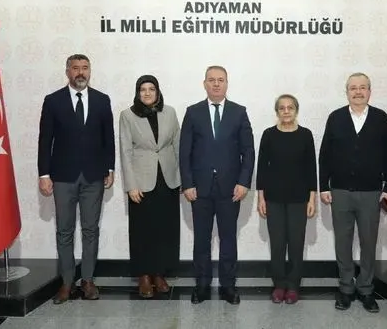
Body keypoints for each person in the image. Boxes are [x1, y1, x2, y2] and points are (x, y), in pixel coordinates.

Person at [37, 54, 116, 304]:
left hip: (94, 176)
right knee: (64, 230)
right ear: (67, 72)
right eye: (75, 68)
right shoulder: (53, 101)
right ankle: (67, 283)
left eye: (85, 68)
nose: (80, 72)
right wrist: (44, 174)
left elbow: (108, 138)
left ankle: (88, 281)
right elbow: (45, 140)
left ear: (90, 71)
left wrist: (110, 168)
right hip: (62, 177)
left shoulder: (102, 100)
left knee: (91, 229)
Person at [318, 72, 387, 313]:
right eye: (353, 88)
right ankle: (345, 288)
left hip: (371, 193)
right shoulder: (336, 117)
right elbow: (325, 155)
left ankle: (365, 289)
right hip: (340, 191)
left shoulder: (381, 118)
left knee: (368, 242)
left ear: (369, 91)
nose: (358, 92)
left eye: (363, 87)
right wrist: (324, 186)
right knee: (342, 242)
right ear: (347, 92)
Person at [179, 65, 255, 305]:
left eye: (220, 80)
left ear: (226, 83)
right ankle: (201, 286)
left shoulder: (239, 112)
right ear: (204, 84)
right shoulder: (193, 112)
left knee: (228, 238)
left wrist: (244, 182)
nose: (216, 84)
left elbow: (248, 151)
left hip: (230, 189)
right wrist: (187, 183)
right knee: (201, 239)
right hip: (199, 189)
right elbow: (184, 152)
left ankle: (228, 286)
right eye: (211, 80)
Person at [118, 75, 181, 299]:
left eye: (151, 89)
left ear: (158, 92)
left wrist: (182, 179)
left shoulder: (170, 113)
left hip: (168, 179)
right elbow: (125, 151)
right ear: (137, 93)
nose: (147, 93)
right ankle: (144, 276)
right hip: (141, 182)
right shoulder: (127, 115)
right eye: (142, 89)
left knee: (164, 229)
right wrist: (130, 185)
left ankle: (159, 274)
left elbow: (177, 145)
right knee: (142, 230)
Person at [256, 94, 317, 305]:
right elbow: (262, 168)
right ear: (277, 112)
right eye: (282, 108)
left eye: (290, 107)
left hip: (299, 199)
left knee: (297, 244)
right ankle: (279, 285)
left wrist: (312, 199)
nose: (286, 111)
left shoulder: (305, 135)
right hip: (273, 199)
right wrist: (261, 198)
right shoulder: (269, 135)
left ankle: (293, 286)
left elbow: (311, 168)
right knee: (278, 244)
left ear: (296, 110)